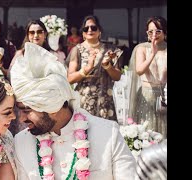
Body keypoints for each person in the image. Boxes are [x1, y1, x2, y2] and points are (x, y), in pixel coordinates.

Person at [10, 42, 136, 179]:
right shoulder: (21, 142)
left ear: (52, 106)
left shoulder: (108, 134)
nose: (21, 118)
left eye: (27, 110)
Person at [67, 15, 123, 121]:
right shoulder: (77, 50)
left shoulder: (111, 50)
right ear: (83, 33)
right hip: (84, 101)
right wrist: (87, 68)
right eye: (86, 28)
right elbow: (70, 78)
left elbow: (117, 77)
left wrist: (107, 65)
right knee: (84, 134)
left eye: (93, 28)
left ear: (99, 31)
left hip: (105, 101)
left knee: (106, 135)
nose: (89, 30)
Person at [128, 16, 167, 137]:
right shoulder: (142, 48)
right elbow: (139, 70)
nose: (154, 34)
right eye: (150, 32)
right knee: (147, 133)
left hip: (164, 95)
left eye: (158, 31)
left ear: (165, 32)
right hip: (147, 95)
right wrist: (153, 53)